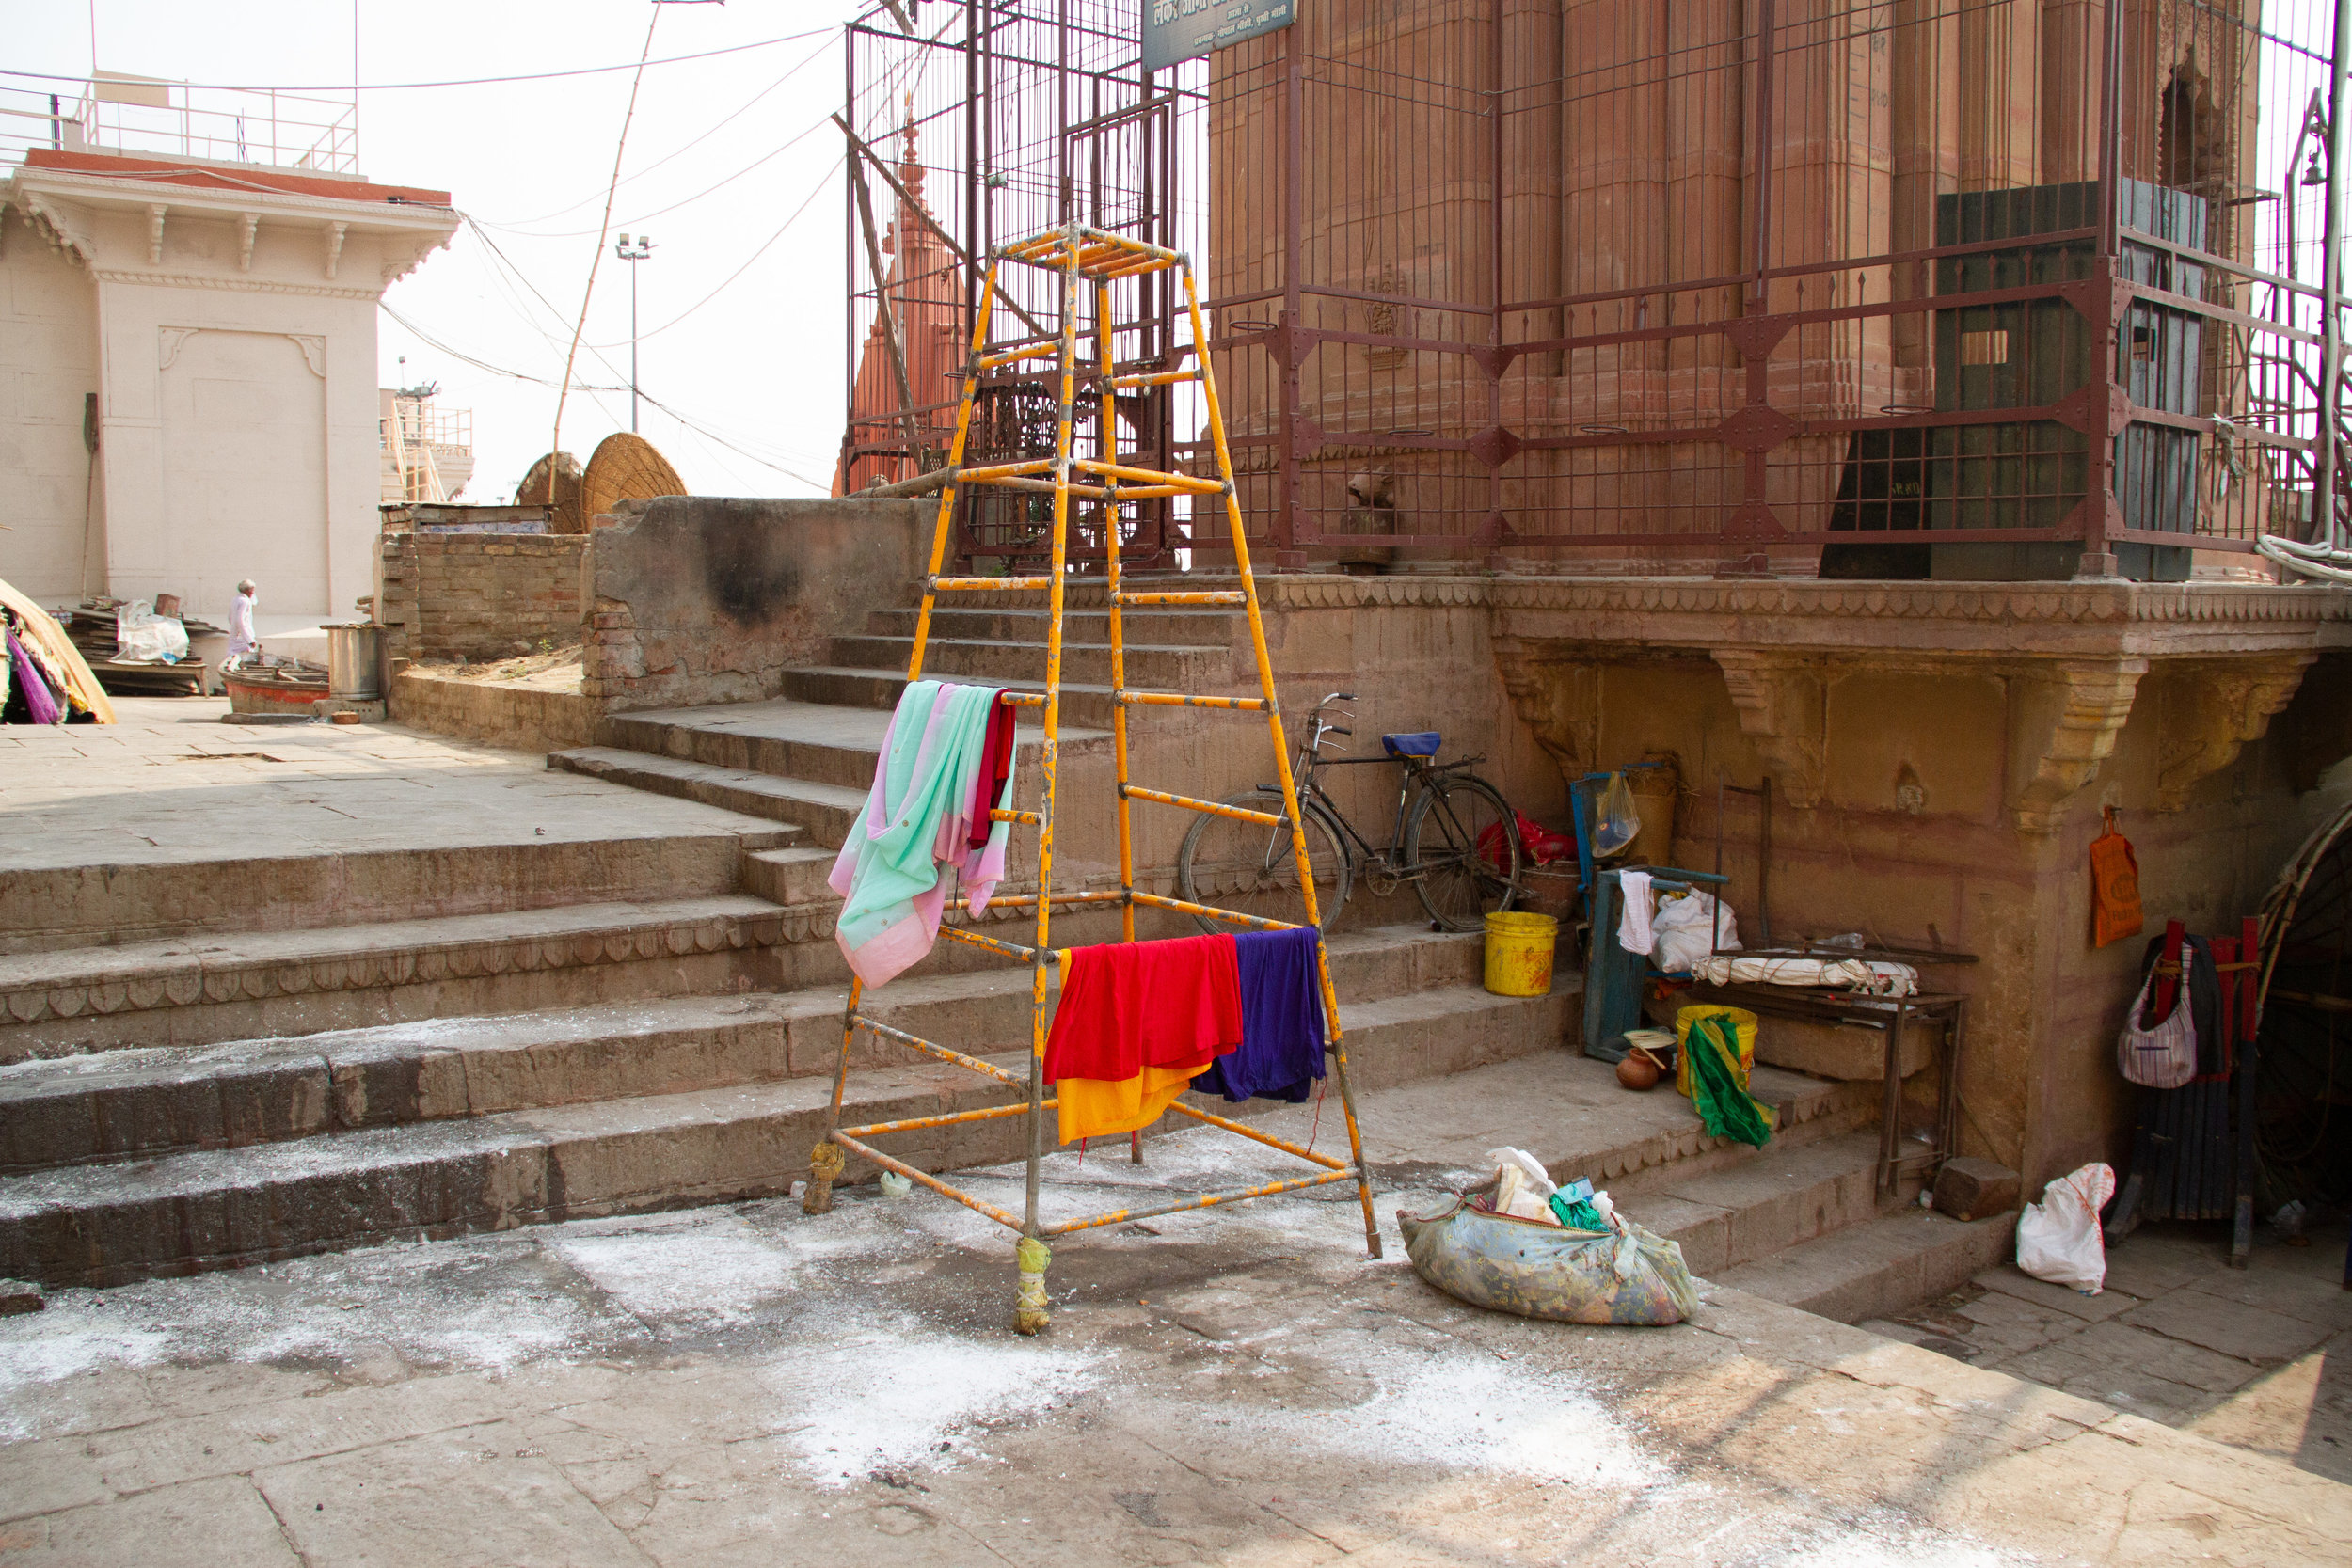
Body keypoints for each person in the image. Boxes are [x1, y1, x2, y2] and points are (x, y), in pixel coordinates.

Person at [226, 579, 260, 670]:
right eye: (252, 590)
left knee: (234, 659)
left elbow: (230, 618)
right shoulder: (245, 601)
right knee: (243, 660)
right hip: (243, 637)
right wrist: (250, 639)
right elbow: (240, 621)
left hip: (235, 634)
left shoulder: (235, 600)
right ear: (248, 590)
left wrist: (235, 628)